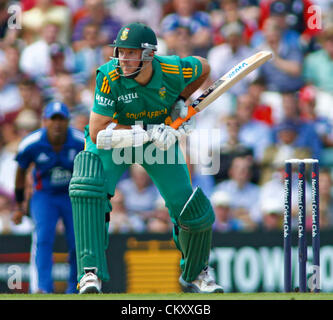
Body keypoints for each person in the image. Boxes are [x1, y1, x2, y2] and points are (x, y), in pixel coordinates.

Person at [69, 22, 223, 294]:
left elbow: (204, 66)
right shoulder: (108, 75)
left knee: (188, 207)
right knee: (88, 187)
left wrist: (180, 101)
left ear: (149, 54)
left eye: (130, 53)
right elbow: (97, 131)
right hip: (115, 138)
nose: (123, 59)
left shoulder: (173, 69)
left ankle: (197, 272)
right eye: (120, 51)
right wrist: (147, 131)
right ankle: (89, 274)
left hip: (159, 141)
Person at [12, 101, 85, 293]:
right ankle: (42, 288)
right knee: (43, 238)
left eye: (61, 119)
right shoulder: (32, 143)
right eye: (53, 119)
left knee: (77, 240)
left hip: (73, 195)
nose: (57, 124)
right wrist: (19, 205)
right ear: (44, 121)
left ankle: (75, 287)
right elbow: (20, 173)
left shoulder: (80, 141)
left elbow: (94, 168)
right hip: (45, 195)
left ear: (68, 121)